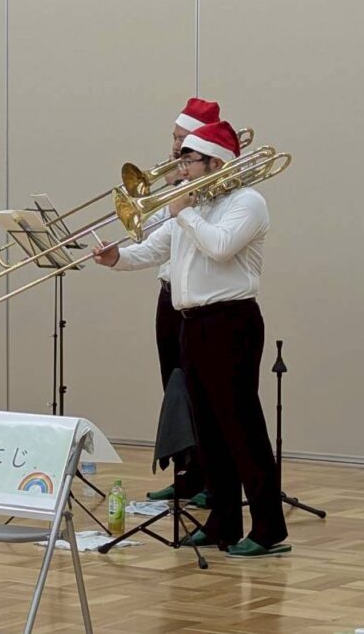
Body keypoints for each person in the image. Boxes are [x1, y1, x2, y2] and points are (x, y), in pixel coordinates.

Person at [93, 121, 289, 558]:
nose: (179, 168)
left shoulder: (247, 202)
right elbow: (155, 249)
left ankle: (268, 528)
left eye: (188, 161)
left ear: (215, 163)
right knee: (207, 428)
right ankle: (223, 520)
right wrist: (116, 257)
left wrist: (184, 211)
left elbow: (220, 246)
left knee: (241, 426)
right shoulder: (193, 205)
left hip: (231, 322)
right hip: (193, 324)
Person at [146, 98, 219, 507]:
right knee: (173, 386)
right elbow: (152, 234)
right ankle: (185, 474)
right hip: (169, 294)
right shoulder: (175, 182)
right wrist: (168, 192)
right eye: (174, 137)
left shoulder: (217, 190)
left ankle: (213, 479)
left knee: (201, 393)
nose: (175, 146)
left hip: (201, 301)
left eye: (182, 139)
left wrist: (184, 196)